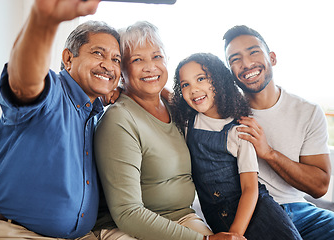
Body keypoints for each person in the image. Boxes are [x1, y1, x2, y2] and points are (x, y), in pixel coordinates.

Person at [0, 0, 121, 239]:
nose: (108, 65)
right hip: (12, 231)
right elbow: (25, 81)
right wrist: (43, 21)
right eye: (98, 53)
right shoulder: (52, 90)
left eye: (116, 60)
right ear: (68, 58)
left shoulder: (97, 113)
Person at [93, 21, 245, 240]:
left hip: (182, 217)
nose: (150, 67)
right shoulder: (119, 119)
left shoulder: (176, 108)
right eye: (137, 60)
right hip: (129, 227)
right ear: (121, 69)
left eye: (157, 56)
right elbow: (127, 213)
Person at [171, 52, 302, 239]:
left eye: (201, 78)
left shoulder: (239, 130)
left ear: (218, 80)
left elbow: (250, 188)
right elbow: (158, 95)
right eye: (185, 84)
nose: (193, 89)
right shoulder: (188, 122)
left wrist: (235, 233)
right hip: (217, 217)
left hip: (257, 214)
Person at [223, 25, 334, 240]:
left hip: (301, 210)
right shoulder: (224, 113)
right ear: (231, 72)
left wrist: (269, 153)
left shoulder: (308, 112)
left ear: (272, 58)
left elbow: (320, 186)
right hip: (255, 213)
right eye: (235, 59)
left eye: (253, 52)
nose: (246, 64)